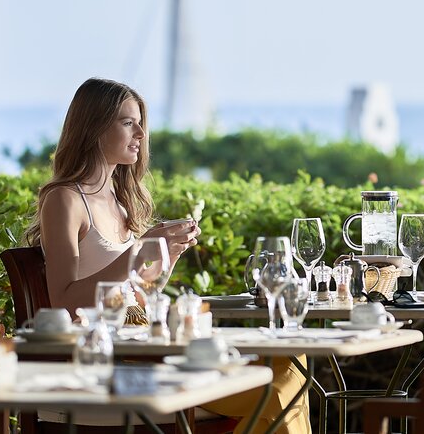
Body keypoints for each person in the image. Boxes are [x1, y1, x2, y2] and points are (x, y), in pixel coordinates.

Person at [25, 77, 311, 434]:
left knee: (293, 365)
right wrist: (137, 251)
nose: (141, 134)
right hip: (115, 362)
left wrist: (164, 261)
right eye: (128, 123)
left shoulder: (118, 199)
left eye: (140, 123)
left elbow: (135, 296)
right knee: (280, 385)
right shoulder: (64, 200)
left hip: (146, 343)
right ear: (93, 128)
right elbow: (64, 301)